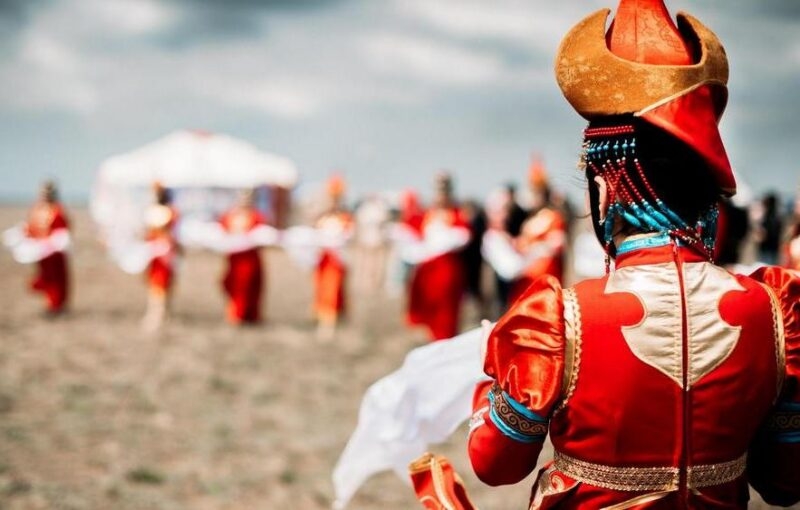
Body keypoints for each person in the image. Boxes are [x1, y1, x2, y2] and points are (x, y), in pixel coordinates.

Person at [461, 1, 800, 509]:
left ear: (604, 187)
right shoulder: (777, 312)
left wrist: (497, 383)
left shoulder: (560, 320)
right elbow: (785, 481)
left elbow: (494, 464)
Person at [406, 172, 470, 341]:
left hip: (447, 270)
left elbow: (464, 236)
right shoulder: (428, 213)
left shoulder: (456, 213)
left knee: (447, 311)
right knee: (429, 308)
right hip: (428, 270)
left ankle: (445, 339)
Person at [313, 174, 353, 340]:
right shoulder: (322, 218)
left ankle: (329, 322)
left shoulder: (344, 218)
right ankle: (323, 316)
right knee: (321, 288)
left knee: (333, 289)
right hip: (323, 259)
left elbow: (348, 235)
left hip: (336, 259)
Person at [219, 189, 266, 324]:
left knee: (249, 288)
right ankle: (235, 314)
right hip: (235, 258)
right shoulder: (230, 215)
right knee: (232, 285)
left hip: (250, 259)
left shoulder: (256, 216)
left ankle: (247, 315)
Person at [25, 181, 70, 314]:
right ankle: (51, 303)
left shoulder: (57, 210)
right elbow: (31, 228)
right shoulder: (37, 210)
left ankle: (56, 306)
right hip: (41, 252)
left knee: (57, 281)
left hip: (55, 253)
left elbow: (63, 231)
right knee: (46, 279)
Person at [141, 182, 179, 332]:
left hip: (165, 253)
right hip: (153, 252)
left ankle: (159, 313)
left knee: (163, 284)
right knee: (153, 283)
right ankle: (157, 312)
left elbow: (172, 234)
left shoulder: (170, 212)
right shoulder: (152, 212)